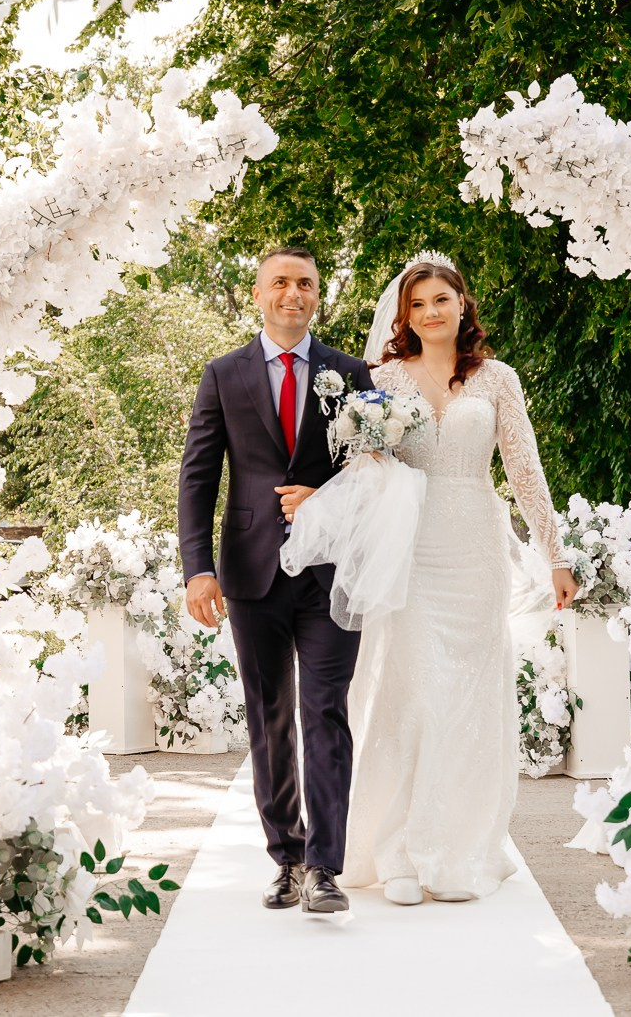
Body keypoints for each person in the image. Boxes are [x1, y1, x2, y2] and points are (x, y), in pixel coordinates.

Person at [338, 254, 577, 905]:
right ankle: (399, 850)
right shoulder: (383, 377)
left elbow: (525, 472)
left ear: (462, 304)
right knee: (416, 688)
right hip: (412, 548)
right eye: (418, 304)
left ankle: (457, 842)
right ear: (405, 315)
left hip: (476, 545)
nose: (431, 311)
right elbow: (364, 465)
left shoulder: (497, 379)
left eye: (442, 299)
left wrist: (555, 554)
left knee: (469, 697)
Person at [177, 245, 376, 915]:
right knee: (269, 718)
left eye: (306, 283)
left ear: (318, 294)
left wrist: (323, 499)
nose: (294, 293)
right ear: (258, 293)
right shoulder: (223, 375)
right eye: (281, 282)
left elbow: (377, 471)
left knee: (325, 712)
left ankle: (325, 867)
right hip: (252, 572)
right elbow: (199, 477)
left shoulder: (353, 375)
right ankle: (286, 858)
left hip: (331, 574)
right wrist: (197, 567)